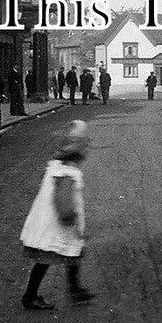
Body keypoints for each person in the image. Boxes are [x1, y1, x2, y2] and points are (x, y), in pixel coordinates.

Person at [18, 121, 95, 310]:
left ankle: (75, 289)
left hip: (51, 222)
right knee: (48, 258)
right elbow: (64, 204)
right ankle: (30, 296)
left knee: (73, 253)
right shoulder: (68, 174)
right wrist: (72, 220)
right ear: (77, 157)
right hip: (58, 224)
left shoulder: (55, 168)